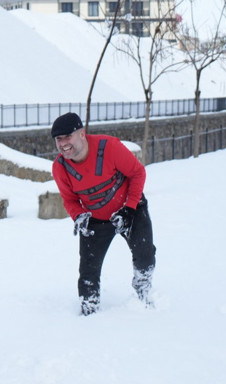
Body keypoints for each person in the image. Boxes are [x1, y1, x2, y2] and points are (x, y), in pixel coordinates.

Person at [50, 112, 156, 315]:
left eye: (67, 136)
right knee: (88, 273)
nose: (63, 143)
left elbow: (137, 173)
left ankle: (143, 295)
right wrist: (79, 216)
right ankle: (89, 312)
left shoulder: (109, 148)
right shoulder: (60, 168)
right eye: (58, 139)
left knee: (145, 256)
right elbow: (70, 199)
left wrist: (129, 208)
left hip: (129, 209)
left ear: (82, 133)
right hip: (95, 221)